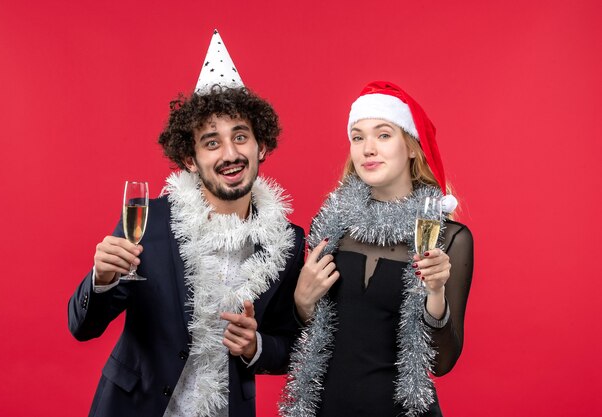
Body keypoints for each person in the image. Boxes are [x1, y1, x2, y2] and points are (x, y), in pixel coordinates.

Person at [68, 30, 305, 417]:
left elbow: (290, 345)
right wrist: (102, 279)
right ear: (191, 159)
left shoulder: (289, 241)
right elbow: (82, 327)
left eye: (240, 137)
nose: (230, 154)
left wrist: (255, 346)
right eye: (211, 142)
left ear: (261, 146)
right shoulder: (152, 221)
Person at [280, 81, 473, 417]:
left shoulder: (448, 238)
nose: (368, 148)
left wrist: (436, 293)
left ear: (411, 147)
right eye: (358, 137)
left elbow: (441, 363)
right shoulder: (329, 231)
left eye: (383, 135)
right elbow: (294, 346)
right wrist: (300, 302)